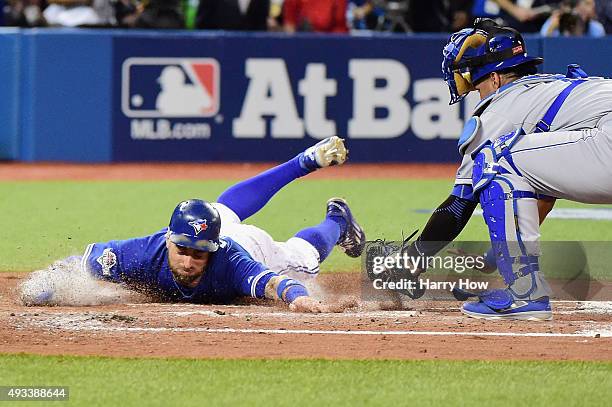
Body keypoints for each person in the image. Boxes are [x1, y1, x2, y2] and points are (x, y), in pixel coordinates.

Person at [390, 18, 611, 321]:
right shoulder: (546, 88)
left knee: (497, 159)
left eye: (475, 81)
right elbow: (542, 192)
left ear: (495, 79)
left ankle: (525, 295)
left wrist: (413, 257)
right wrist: (489, 263)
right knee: (515, 163)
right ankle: (523, 287)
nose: (473, 88)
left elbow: (460, 205)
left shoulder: (502, 109)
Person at [22, 137, 366, 313]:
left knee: (300, 257)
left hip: (251, 244)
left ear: (212, 250)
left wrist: (298, 296)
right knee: (219, 210)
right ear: (169, 239)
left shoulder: (230, 260)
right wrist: (47, 282)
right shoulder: (147, 251)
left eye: (198, 254)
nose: (188, 260)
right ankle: (302, 162)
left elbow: (274, 283)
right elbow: (83, 264)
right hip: (217, 227)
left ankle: (337, 220)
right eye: (182, 249)